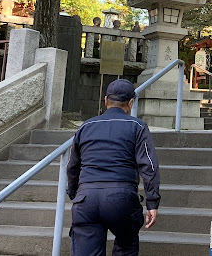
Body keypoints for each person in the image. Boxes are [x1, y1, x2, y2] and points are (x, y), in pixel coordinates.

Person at [66, 79, 160, 256]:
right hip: (122, 197)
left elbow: (72, 166)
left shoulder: (85, 126)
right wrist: (152, 202)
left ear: (105, 100)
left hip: (86, 198)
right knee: (126, 246)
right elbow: (149, 165)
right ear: (131, 103)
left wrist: (75, 194)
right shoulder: (137, 126)